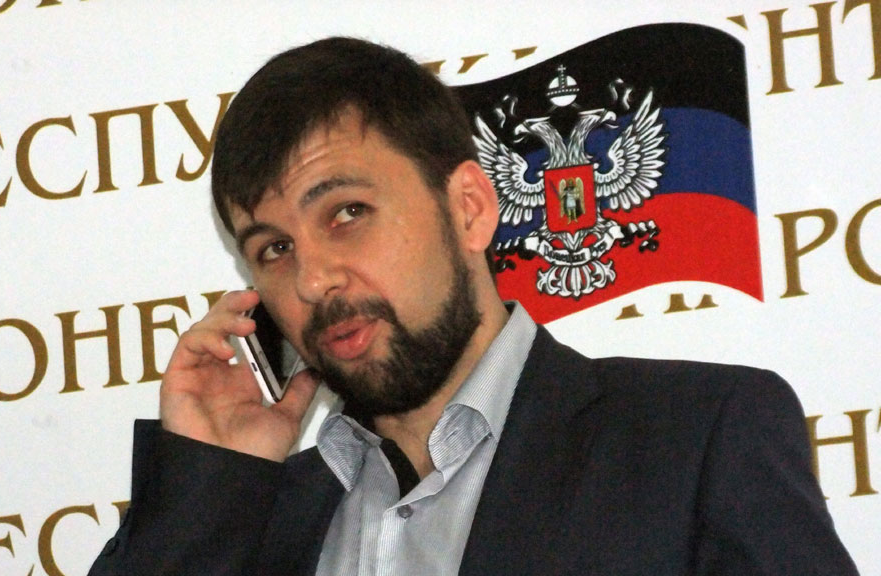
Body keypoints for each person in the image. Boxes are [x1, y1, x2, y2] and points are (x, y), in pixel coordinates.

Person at [88, 37, 859, 575]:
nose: (314, 279)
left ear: (469, 208)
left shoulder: (694, 438)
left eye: (348, 213)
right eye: (273, 249)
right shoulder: (249, 520)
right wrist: (208, 478)